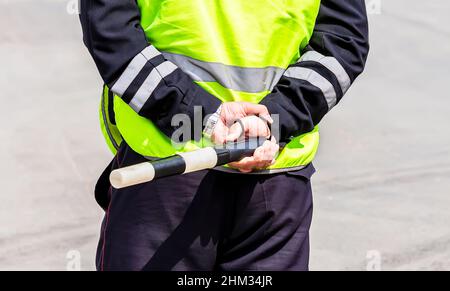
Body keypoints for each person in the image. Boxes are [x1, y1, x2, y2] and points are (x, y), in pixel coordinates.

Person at [80, 0, 369, 271]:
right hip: (273, 177)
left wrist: (198, 116)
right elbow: (342, 41)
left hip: (167, 170)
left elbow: (110, 31)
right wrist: (275, 121)